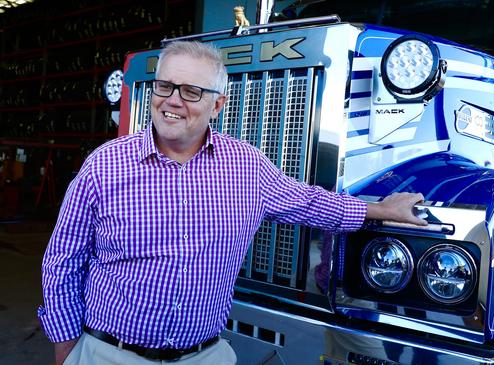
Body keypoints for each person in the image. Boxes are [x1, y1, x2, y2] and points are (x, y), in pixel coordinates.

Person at [40, 41, 427, 365]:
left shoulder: (247, 166)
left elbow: (310, 203)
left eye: (191, 91)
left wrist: (382, 211)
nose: (172, 101)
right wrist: (67, 351)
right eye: (164, 87)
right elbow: (62, 262)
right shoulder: (104, 164)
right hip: (109, 354)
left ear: (218, 105)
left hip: (204, 357)